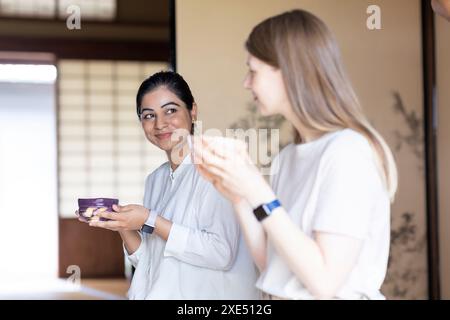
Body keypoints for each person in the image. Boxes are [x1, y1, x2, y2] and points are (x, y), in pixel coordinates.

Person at [193, 9, 398, 300]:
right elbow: (274, 266)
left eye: (253, 71)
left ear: (288, 71)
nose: (246, 83)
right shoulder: (288, 157)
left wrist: (255, 186)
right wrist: (238, 195)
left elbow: (325, 283)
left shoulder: (348, 152)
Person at [82, 71, 260, 300]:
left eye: (170, 110)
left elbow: (221, 253)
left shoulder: (217, 167)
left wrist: (150, 219)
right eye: (148, 115)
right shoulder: (156, 179)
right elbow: (149, 260)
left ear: (192, 110)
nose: (160, 124)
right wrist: (121, 225)